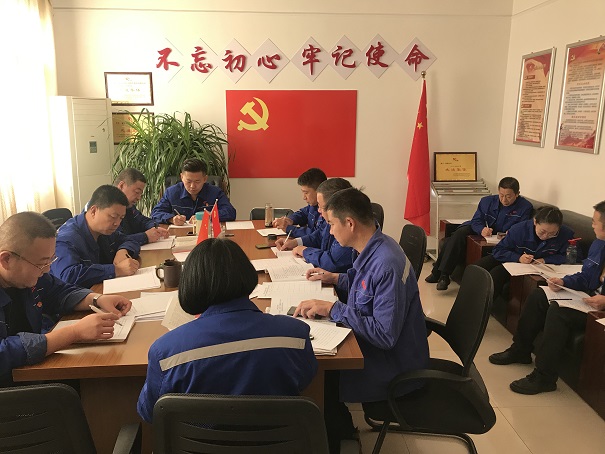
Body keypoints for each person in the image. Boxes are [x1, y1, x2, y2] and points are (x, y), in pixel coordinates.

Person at [293, 188, 429, 453]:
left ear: (350, 223)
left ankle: (335, 438)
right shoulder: (374, 246)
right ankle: (341, 428)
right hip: (380, 350)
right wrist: (336, 278)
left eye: (332, 224)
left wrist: (334, 309)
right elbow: (365, 287)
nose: (330, 231)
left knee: (314, 375)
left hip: (393, 367)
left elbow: (384, 336)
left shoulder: (386, 264)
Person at [137, 238, 317, 422]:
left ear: (191, 283)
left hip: (198, 440)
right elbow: (304, 381)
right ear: (247, 274)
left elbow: (151, 412)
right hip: (279, 437)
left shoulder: (166, 352)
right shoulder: (296, 335)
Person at [0, 212, 132, 385]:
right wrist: (73, 333)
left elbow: (58, 291)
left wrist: (97, 299)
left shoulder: (29, 275)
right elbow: (4, 353)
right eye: (40, 264)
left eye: (50, 261)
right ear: (6, 260)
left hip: (32, 370)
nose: (46, 270)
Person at [489, 201, 605, 395]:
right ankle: (520, 350)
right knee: (539, 295)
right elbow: (586, 277)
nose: (592, 225)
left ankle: (545, 377)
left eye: (595, 222)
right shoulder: (599, 244)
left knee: (558, 313)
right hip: (589, 298)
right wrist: (564, 282)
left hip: (600, 310)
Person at [425, 177, 533, 290]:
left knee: (448, 242)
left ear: (517, 194)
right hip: (480, 230)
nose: (504, 200)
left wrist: (511, 232)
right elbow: (476, 220)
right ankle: (444, 275)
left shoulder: (525, 207)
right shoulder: (487, 201)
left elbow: (522, 228)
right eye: (501, 195)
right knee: (459, 233)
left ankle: (440, 274)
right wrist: (481, 229)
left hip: (501, 238)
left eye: (508, 196)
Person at [474, 206, 574, 303]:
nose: (546, 236)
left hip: (541, 268)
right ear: (535, 222)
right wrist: (518, 258)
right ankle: (476, 302)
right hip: (514, 261)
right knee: (480, 267)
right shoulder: (519, 229)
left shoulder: (566, 234)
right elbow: (499, 250)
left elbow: (572, 257)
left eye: (552, 233)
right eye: (542, 231)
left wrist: (545, 260)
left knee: (497, 273)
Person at [51, 185, 141, 288]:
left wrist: (123, 250)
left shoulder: (104, 230)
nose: (117, 223)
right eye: (113, 217)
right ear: (93, 211)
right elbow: (67, 276)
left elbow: (129, 240)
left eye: (121, 218)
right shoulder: (67, 239)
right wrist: (116, 270)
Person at [275, 178, 354, 273]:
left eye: (321, 206)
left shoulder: (346, 227)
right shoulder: (332, 221)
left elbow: (332, 262)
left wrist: (305, 251)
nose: (318, 210)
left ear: (335, 207)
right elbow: (320, 236)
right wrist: (296, 242)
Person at [151, 158, 236, 225]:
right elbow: (156, 213)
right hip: (180, 236)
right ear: (182, 177)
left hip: (207, 235)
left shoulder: (215, 192)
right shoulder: (171, 192)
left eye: (197, 181)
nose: (192, 186)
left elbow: (230, 212)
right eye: (188, 181)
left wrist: (208, 216)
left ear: (205, 179)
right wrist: (171, 219)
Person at [113, 168, 169, 245]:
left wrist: (154, 228)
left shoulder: (129, 206)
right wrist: (146, 237)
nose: (139, 198)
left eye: (140, 194)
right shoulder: (108, 208)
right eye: (137, 192)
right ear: (122, 186)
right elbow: (116, 240)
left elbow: (142, 221)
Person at [273, 167, 327, 237]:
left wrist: (289, 228)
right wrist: (290, 220)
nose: (304, 197)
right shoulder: (313, 205)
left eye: (306, 193)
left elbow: (317, 235)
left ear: (319, 191)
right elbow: (303, 213)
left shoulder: (328, 211)